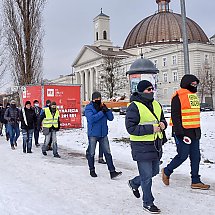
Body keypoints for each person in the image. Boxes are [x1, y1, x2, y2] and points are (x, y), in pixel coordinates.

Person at [161, 74, 210, 190]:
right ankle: (167, 171)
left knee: (196, 156)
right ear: (187, 83)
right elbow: (175, 116)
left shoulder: (193, 96)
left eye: (196, 84)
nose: (195, 85)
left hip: (194, 132)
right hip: (182, 133)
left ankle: (195, 180)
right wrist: (179, 133)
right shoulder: (178, 96)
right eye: (193, 83)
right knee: (182, 156)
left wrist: (198, 131)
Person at [125, 80, 167, 214]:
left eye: (152, 88)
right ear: (142, 90)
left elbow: (162, 119)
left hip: (155, 145)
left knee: (154, 172)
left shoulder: (157, 104)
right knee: (147, 176)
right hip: (141, 146)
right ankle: (148, 202)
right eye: (149, 89)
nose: (151, 91)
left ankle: (134, 183)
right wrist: (151, 128)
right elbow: (131, 128)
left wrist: (163, 124)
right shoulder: (134, 106)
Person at [85, 91, 122, 179]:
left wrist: (107, 110)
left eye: (99, 98)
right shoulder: (88, 108)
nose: (98, 100)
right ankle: (92, 170)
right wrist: (102, 112)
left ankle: (112, 172)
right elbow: (91, 119)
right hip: (93, 134)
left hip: (103, 134)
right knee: (91, 153)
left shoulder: (102, 107)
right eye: (96, 98)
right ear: (93, 99)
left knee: (108, 153)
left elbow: (111, 118)